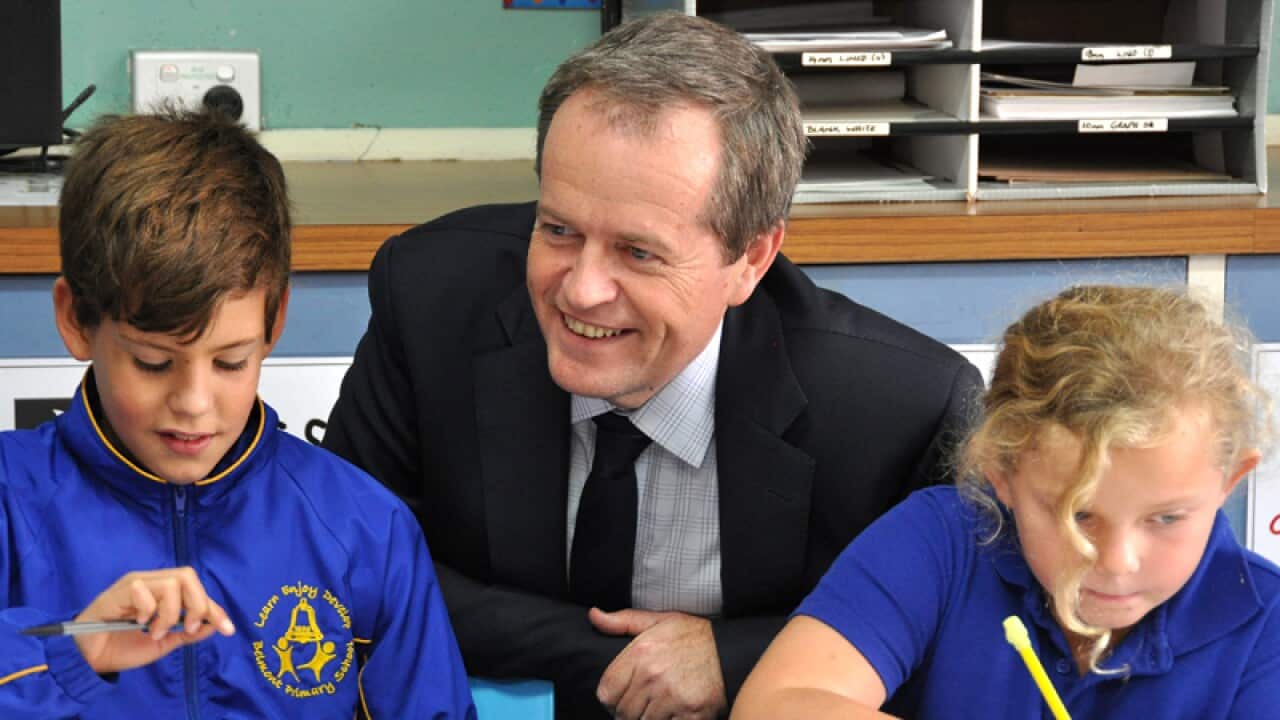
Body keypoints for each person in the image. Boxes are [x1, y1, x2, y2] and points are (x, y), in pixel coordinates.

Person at [323, 12, 981, 720]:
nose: (581, 289)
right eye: (558, 230)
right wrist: (615, 660)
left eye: (639, 253)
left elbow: (957, 644)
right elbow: (349, 566)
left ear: (751, 260)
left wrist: (727, 659)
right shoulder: (431, 301)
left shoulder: (902, 411)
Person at [0, 110, 476, 719]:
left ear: (274, 323)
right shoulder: (13, 503)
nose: (194, 403)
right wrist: (76, 646)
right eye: (152, 362)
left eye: (230, 362)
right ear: (75, 320)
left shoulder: (363, 528)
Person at [733, 285, 1280, 719]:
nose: (1116, 563)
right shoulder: (942, 542)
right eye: (1078, 515)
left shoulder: (1264, 622)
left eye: (1166, 518)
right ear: (1002, 472)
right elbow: (776, 704)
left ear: (1230, 482)